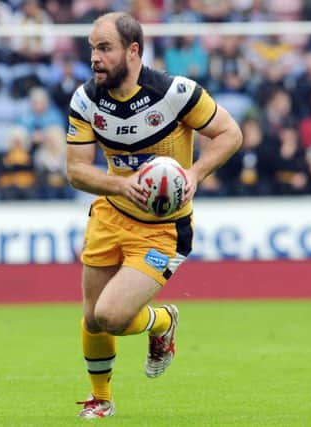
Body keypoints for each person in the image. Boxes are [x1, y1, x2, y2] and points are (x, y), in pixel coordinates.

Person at [65, 12, 242, 419]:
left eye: (105, 48)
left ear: (133, 51)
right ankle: (101, 399)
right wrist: (121, 185)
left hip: (163, 230)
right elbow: (76, 170)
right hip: (110, 215)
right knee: (92, 319)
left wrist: (194, 174)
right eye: (92, 47)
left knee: (111, 316)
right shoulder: (86, 99)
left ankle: (162, 322)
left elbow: (231, 134)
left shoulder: (176, 93)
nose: (95, 57)